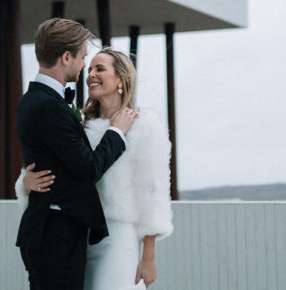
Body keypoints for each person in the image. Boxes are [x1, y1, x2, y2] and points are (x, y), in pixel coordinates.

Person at [17, 47, 173, 290]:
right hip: (77, 237)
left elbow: (153, 191)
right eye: (89, 68)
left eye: (100, 68)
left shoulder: (145, 124)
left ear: (121, 78)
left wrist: (148, 257)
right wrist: (25, 183)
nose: (90, 74)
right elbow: (61, 171)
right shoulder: (82, 125)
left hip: (119, 239)